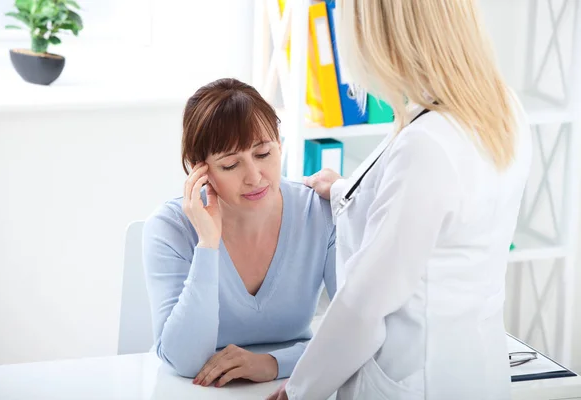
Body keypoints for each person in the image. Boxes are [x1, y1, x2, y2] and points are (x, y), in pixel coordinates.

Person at [268, 0, 532, 399]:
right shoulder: (503, 107)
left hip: (415, 381)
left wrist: (298, 391)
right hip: (479, 369)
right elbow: (437, 224)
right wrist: (344, 192)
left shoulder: (426, 145)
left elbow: (364, 305)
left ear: (385, 35)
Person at [142, 78, 337, 388]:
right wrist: (207, 245)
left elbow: (359, 335)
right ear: (199, 170)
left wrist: (273, 364)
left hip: (287, 386)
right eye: (231, 164)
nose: (255, 177)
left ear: (280, 146)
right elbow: (184, 359)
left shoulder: (320, 212)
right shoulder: (168, 229)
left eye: (263, 155)